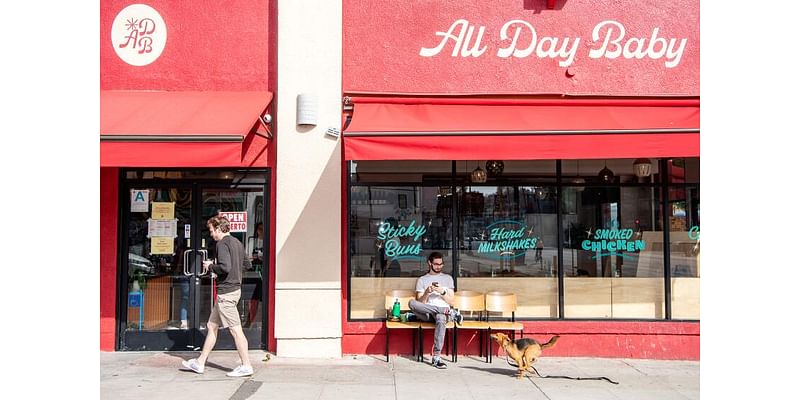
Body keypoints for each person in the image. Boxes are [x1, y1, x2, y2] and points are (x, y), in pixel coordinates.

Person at [181, 215, 254, 377]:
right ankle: (200, 363)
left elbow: (225, 267)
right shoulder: (237, 243)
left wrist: (211, 266)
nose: (211, 234)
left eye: (212, 230)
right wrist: (235, 272)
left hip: (226, 293)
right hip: (233, 289)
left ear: (220, 229)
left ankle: (246, 365)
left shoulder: (222, 244)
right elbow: (247, 265)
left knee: (236, 330)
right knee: (211, 326)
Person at [406, 251, 463, 369]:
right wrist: (427, 292)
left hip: (441, 316)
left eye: (441, 264)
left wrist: (442, 291)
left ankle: (436, 357)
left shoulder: (448, 279)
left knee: (440, 317)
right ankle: (448, 312)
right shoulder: (422, 279)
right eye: (436, 264)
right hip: (427, 314)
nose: (439, 266)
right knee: (411, 303)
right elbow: (420, 304)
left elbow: (452, 302)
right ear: (429, 263)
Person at [246, 222, 265, 327]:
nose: (261, 231)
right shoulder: (252, 241)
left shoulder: (267, 241)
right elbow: (248, 255)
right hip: (253, 271)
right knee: (253, 297)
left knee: (262, 297)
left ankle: (258, 321)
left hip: (263, 272)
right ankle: (251, 320)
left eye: (262, 229)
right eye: (259, 229)